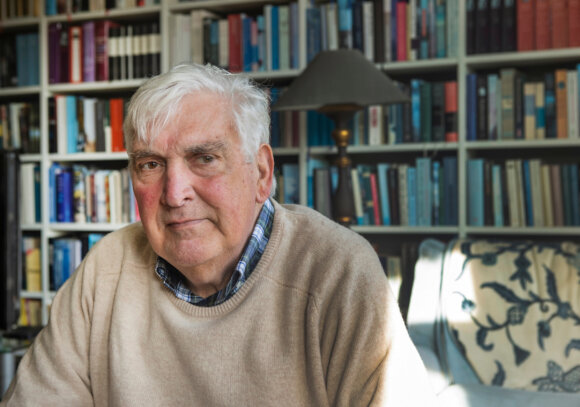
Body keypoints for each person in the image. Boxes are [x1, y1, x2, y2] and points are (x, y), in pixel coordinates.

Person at [1, 64, 436, 406]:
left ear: (261, 173)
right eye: (150, 164)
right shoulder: (105, 270)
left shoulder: (338, 272)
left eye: (204, 158)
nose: (174, 194)